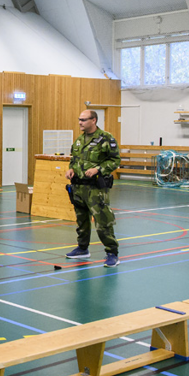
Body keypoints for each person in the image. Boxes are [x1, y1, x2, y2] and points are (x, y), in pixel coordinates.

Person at [64, 109, 120, 267]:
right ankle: (82, 248)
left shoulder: (105, 138)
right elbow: (74, 159)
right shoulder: (79, 140)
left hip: (96, 189)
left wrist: (99, 169)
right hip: (79, 188)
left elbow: (115, 160)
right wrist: (71, 169)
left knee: (103, 222)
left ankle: (112, 253)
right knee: (81, 221)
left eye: (83, 119)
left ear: (93, 120)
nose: (80, 122)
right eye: (79, 119)